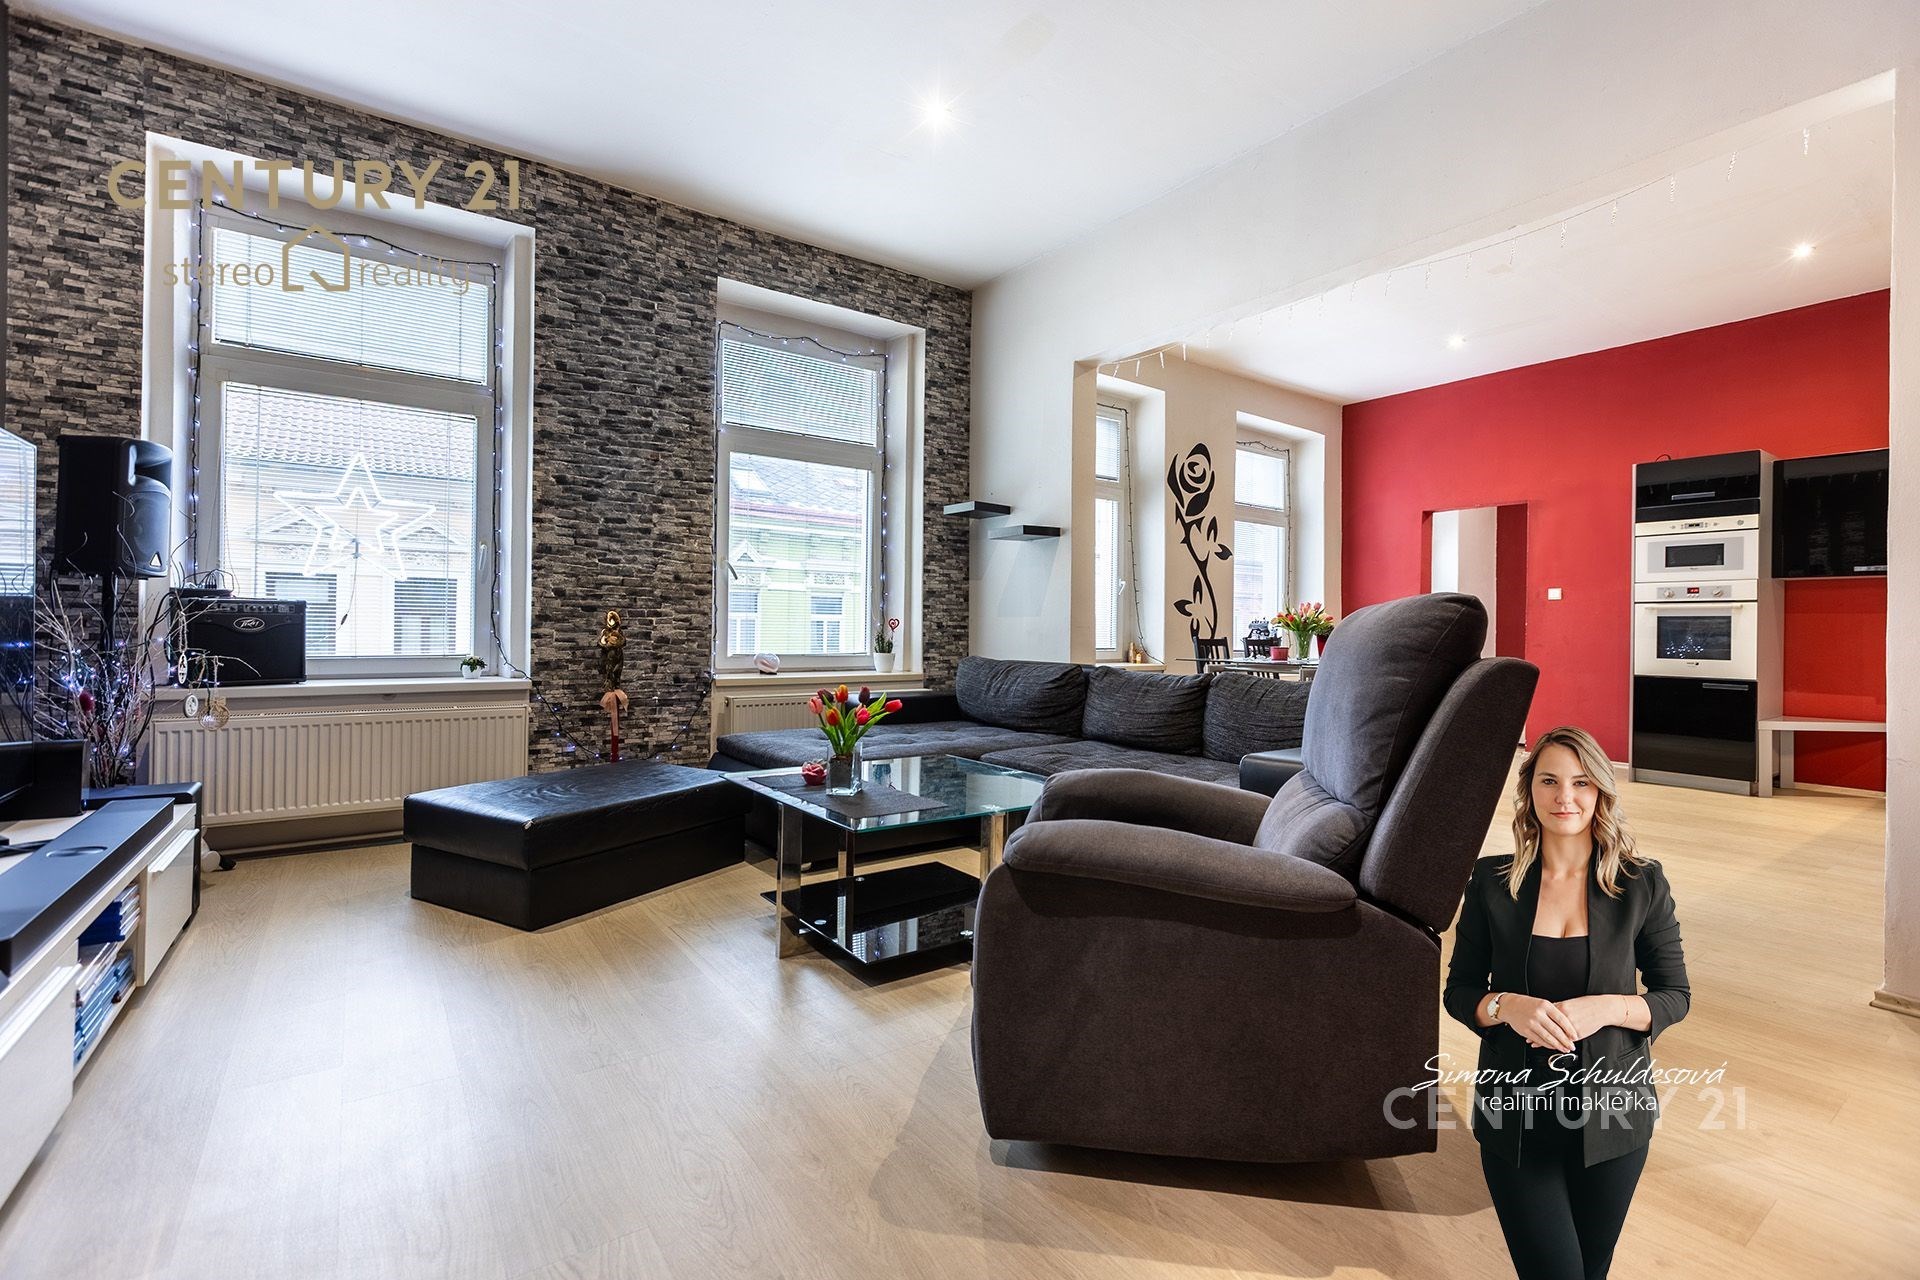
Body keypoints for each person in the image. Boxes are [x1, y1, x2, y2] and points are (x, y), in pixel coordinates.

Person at [1444, 725, 1690, 1280]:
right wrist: (1507, 1006)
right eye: (1549, 781)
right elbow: (1460, 992)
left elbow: (1674, 995)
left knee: (1590, 1270)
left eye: (1581, 783)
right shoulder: (1490, 882)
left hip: (1614, 1118)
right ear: (1529, 790)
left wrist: (1607, 1008)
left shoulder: (1641, 883)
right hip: (1514, 1116)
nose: (1565, 797)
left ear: (1600, 791)